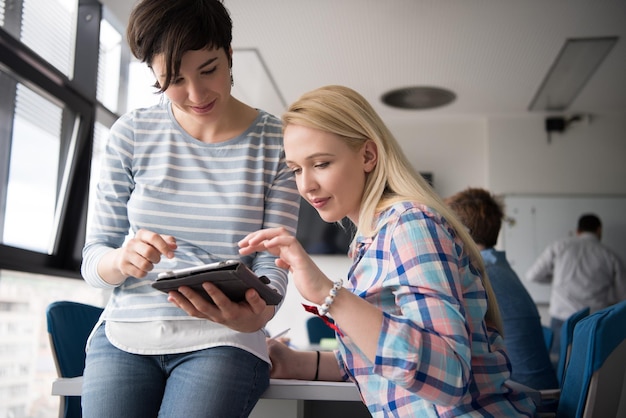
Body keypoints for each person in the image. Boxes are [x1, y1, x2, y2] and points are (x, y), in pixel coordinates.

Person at [232, 85, 535, 416]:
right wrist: (293, 361)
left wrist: (326, 292)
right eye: (295, 169)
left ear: (367, 156)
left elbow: (448, 376)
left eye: (320, 163)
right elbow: (375, 361)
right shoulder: (369, 242)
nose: (306, 185)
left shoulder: (411, 226)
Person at [80, 0, 300, 416]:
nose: (196, 95)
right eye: (174, 80)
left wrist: (258, 315)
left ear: (229, 55)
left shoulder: (277, 142)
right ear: (153, 73)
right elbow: (94, 260)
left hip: (225, 339)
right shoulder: (131, 133)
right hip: (127, 332)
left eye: (209, 70)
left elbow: (274, 262)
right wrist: (122, 260)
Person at [445, 187, 559, 390]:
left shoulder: (480, 273)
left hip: (528, 395)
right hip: (535, 386)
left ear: (464, 231)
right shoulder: (498, 267)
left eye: (448, 227)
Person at [526, 213, 626, 357]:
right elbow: (622, 296)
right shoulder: (610, 256)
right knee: (589, 368)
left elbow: (532, 275)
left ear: (577, 231)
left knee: (559, 365)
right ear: (599, 230)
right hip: (594, 321)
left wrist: (556, 279)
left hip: (561, 319)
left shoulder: (559, 246)